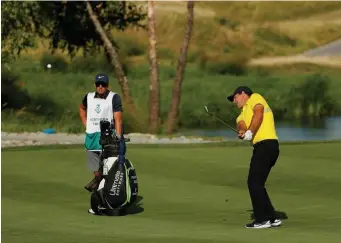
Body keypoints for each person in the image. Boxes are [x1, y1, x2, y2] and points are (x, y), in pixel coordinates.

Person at [227, 86, 281, 229]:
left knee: (253, 183)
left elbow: (259, 113)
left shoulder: (255, 98)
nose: (234, 101)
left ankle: (262, 220)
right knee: (258, 183)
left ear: (243, 94)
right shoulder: (242, 114)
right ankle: (272, 217)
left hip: (267, 145)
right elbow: (241, 124)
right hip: (264, 148)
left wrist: (250, 132)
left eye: (235, 97)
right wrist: (242, 132)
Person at [79, 73, 125, 213]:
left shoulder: (114, 97)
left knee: (108, 173)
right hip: (91, 139)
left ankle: (103, 202)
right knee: (97, 173)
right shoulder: (88, 97)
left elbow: (118, 119)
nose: (100, 87)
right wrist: (86, 124)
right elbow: (81, 109)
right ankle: (99, 195)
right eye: (98, 84)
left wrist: (117, 136)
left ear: (107, 85)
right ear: (95, 85)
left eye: (103, 84)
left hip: (107, 140)